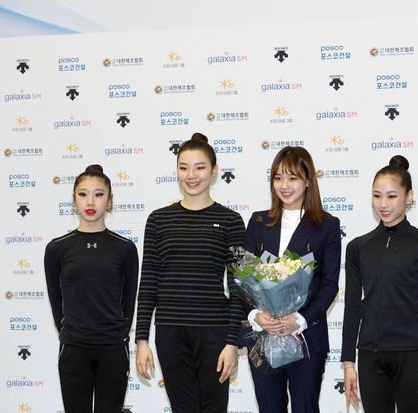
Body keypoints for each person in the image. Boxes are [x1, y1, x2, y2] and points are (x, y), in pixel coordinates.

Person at [134, 133, 245, 413]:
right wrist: (142, 340)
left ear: (214, 170)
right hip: (170, 332)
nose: (191, 175)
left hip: (215, 332)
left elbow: (238, 287)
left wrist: (232, 342)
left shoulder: (231, 221)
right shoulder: (158, 220)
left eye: (200, 167)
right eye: (184, 168)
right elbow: (149, 281)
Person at [241, 146, 341, 413]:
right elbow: (242, 278)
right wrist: (256, 315)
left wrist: (301, 319)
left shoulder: (327, 225)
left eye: (292, 178)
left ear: (308, 181)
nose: (284, 186)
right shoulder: (258, 222)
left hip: (306, 336)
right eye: (278, 178)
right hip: (263, 335)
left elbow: (329, 283)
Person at [341, 155, 418, 413]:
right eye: (377, 196)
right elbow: (352, 306)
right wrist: (348, 362)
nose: (383, 204)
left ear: (409, 196)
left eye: (392, 196)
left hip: (413, 352)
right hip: (370, 355)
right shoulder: (358, 247)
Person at [44, 164, 139, 413]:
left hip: (113, 348)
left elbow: (128, 300)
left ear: (109, 201)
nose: (90, 201)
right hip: (74, 348)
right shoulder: (57, 248)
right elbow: (56, 300)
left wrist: (117, 333)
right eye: (83, 194)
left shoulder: (125, 248)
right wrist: (70, 333)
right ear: (74, 199)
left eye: (98, 194)